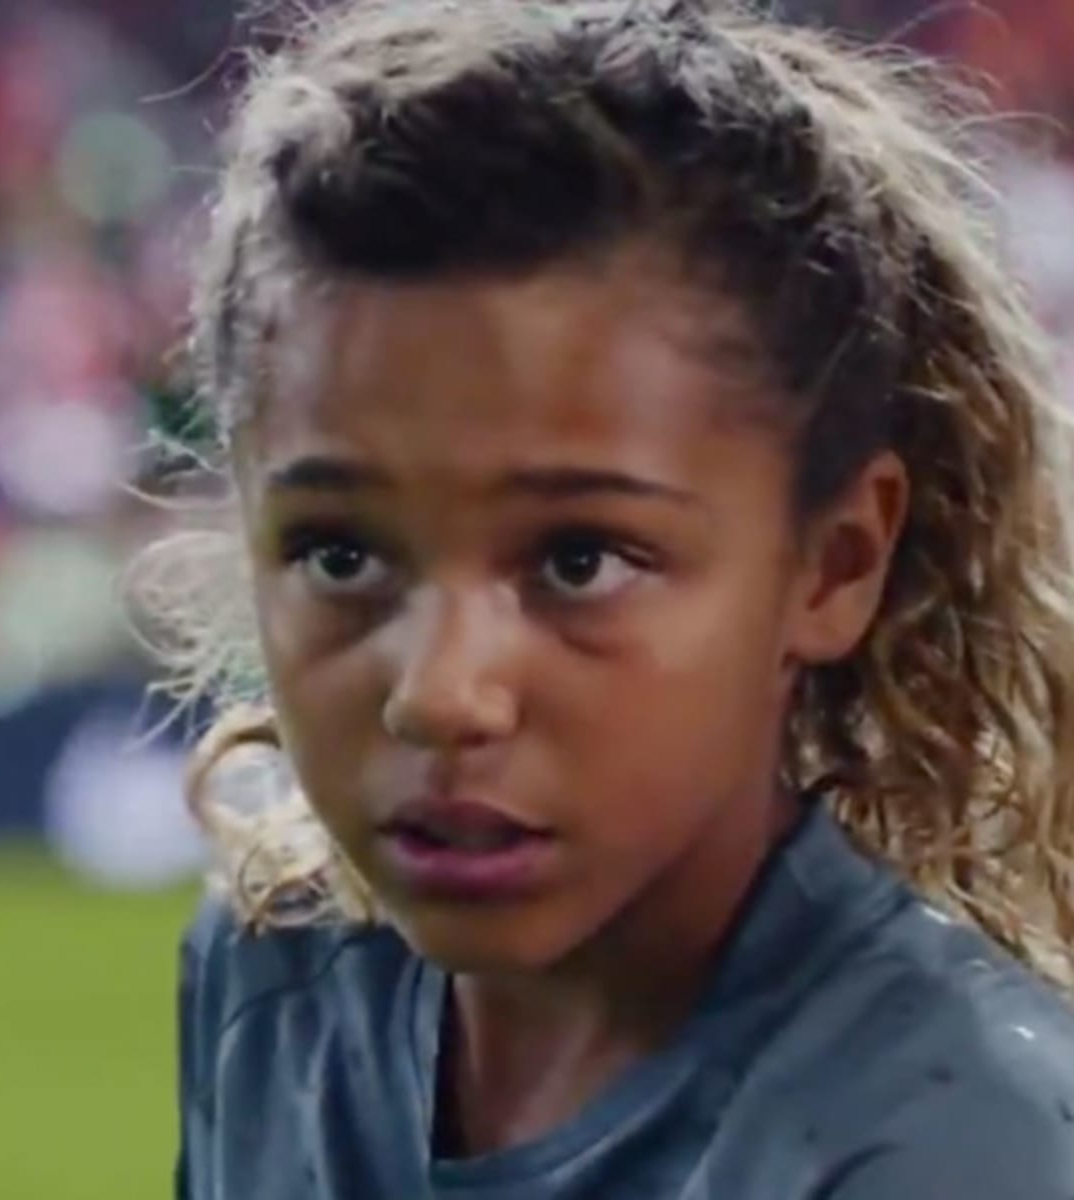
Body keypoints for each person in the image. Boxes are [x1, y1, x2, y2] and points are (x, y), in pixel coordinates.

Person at [152, 1, 1074, 1195]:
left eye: (580, 561)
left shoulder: (952, 1142)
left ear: (836, 564)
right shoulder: (273, 989)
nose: (440, 694)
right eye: (340, 556)